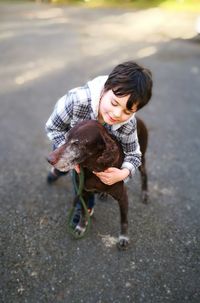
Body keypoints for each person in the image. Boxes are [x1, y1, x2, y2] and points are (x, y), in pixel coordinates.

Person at [45, 61, 153, 229]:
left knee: (81, 182)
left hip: (94, 155)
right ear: (105, 88)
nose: (117, 114)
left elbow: (134, 154)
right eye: (114, 103)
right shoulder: (76, 100)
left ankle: (85, 206)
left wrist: (123, 173)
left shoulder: (128, 124)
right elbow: (54, 127)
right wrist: (70, 156)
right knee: (63, 163)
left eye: (127, 111)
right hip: (67, 143)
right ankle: (58, 170)